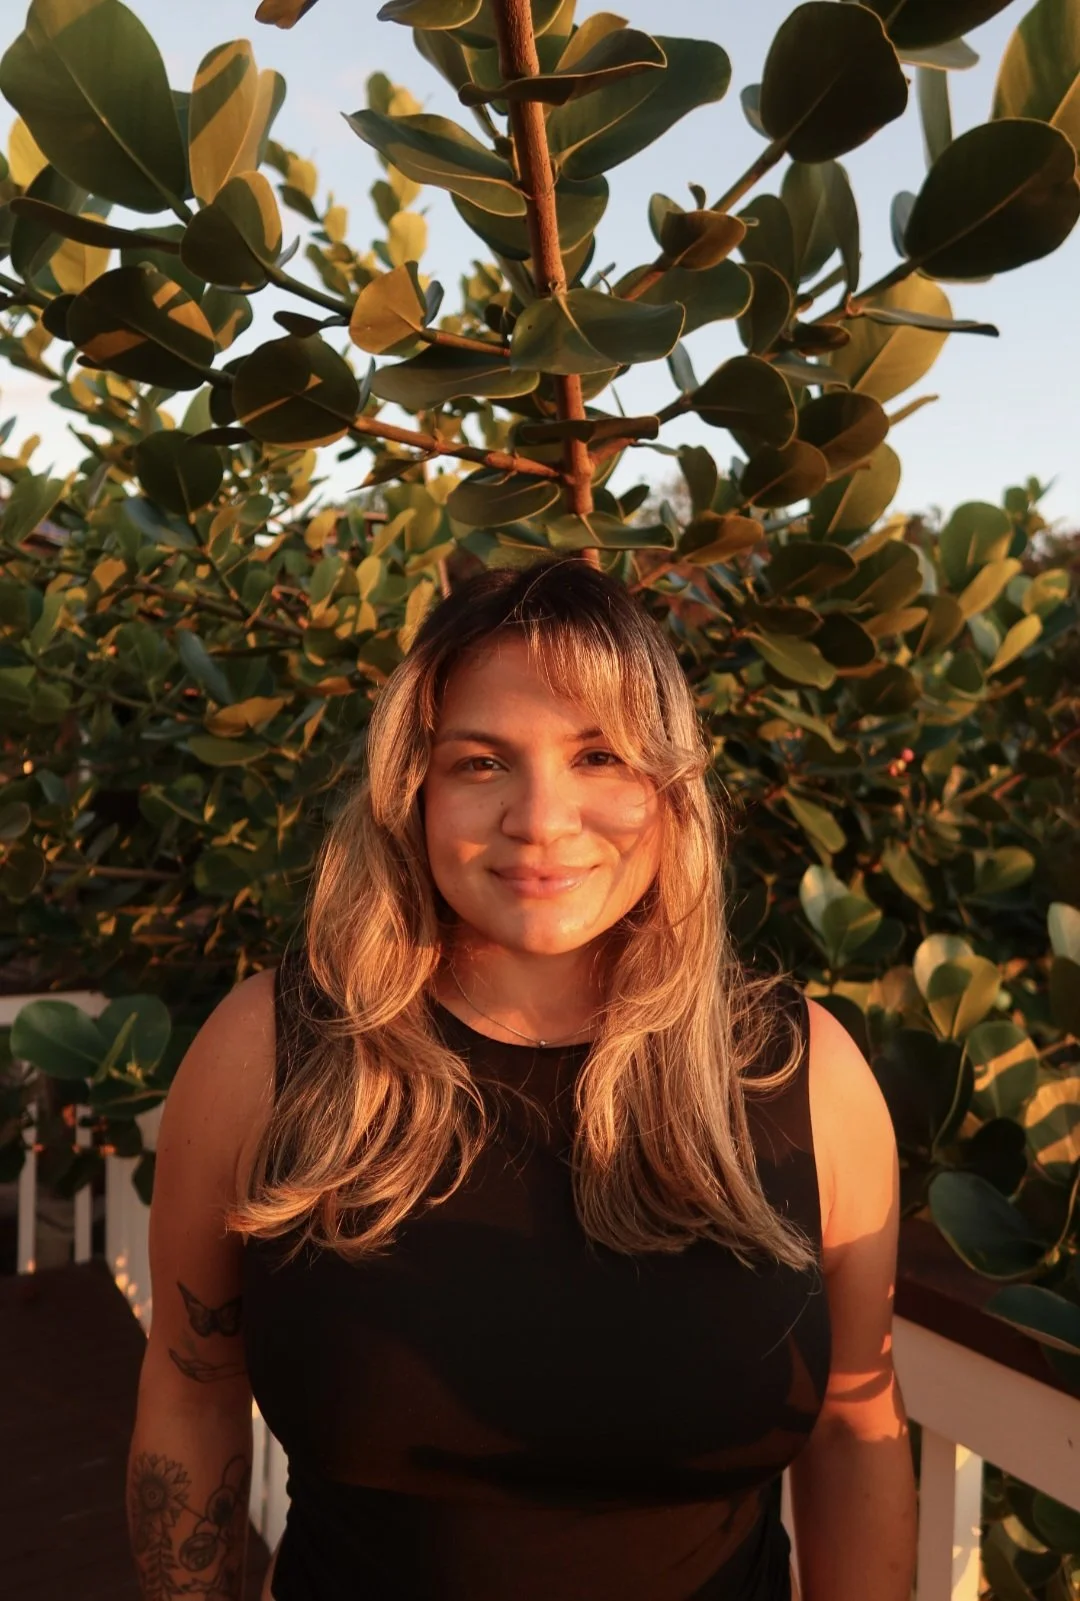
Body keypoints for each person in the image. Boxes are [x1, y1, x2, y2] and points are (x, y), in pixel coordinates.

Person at [129, 556, 917, 1601]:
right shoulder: (272, 1050)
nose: (542, 820)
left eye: (600, 754)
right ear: (413, 789)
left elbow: (857, 1422)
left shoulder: (805, 1072)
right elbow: (192, 1386)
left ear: (669, 787)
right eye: (482, 762)